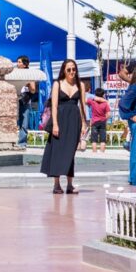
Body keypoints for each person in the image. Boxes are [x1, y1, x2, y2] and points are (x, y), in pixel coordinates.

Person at [40, 59, 87, 194]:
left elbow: (82, 106)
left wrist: (84, 123)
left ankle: (70, 185)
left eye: (74, 69)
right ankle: (56, 184)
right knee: (58, 151)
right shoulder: (57, 84)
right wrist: (55, 124)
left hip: (74, 120)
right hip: (60, 119)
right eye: (69, 69)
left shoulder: (80, 85)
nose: (72, 72)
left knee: (70, 153)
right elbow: (54, 105)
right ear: (64, 71)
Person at [14, 56, 32, 146]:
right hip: (16, 99)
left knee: (24, 122)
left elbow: (33, 90)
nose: (18, 63)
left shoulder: (30, 74)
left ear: (25, 64)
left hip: (25, 100)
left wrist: (28, 83)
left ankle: (22, 143)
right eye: (17, 62)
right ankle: (14, 141)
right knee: (15, 122)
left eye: (20, 62)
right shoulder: (15, 73)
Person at [89, 87, 111, 154]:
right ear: (103, 94)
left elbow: (85, 99)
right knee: (103, 139)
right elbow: (109, 114)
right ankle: (102, 153)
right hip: (102, 122)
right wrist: (105, 119)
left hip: (94, 121)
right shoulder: (105, 104)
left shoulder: (92, 102)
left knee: (94, 139)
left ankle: (94, 153)